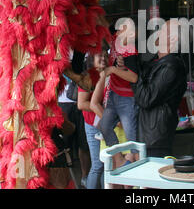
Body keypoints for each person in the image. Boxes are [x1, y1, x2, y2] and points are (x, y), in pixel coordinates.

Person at [131, 19, 188, 157]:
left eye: (163, 30)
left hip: (155, 137)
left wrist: (133, 75)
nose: (158, 33)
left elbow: (146, 98)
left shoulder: (171, 66)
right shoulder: (158, 61)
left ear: (172, 39)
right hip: (148, 134)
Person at [99, 19, 139, 168]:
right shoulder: (116, 39)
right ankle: (120, 160)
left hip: (126, 98)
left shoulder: (130, 49)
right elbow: (103, 33)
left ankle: (137, 179)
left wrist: (113, 70)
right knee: (104, 126)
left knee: (132, 141)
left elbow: (134, 78)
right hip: (114, 94)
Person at [77, 52, 107, 189]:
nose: (103, 58)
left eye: (105, 55)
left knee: (108, 163)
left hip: (107, 124)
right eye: (99, 55)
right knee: (98, 164)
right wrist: (102, 110)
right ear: (91, 59)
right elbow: (81, 104)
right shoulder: (87, 76)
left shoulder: (110, 73)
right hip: (93, 124)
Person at [58, 73, 91, 189]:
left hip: (82, 101)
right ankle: (66, 179)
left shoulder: (84, 55)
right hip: (63, 102)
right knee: (64, 144)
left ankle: (84, 177)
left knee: (84, 143)